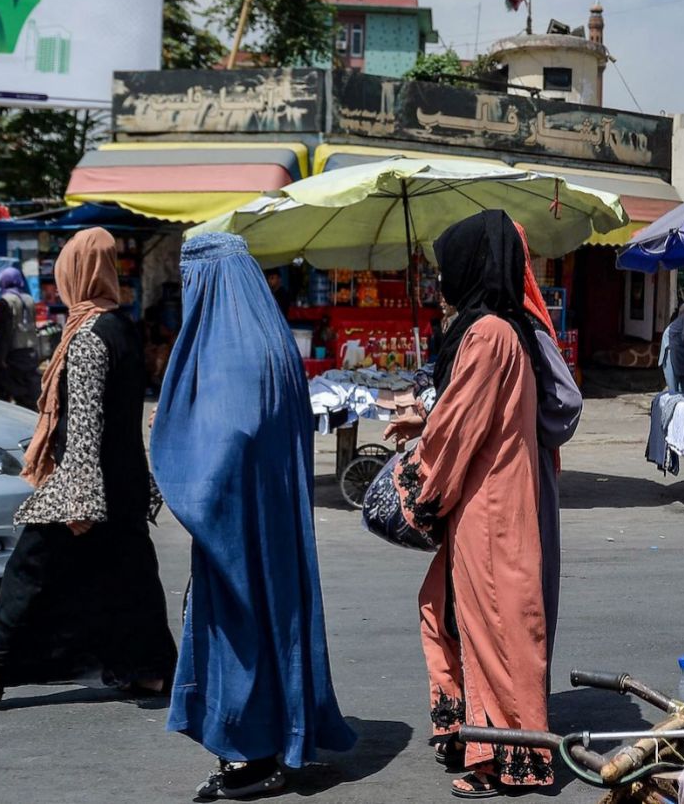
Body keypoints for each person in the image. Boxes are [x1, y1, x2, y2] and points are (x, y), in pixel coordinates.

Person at [0, 228, 175, 707]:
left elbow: (84, 423)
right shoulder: (120, 327)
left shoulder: (87, 337)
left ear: (76, 273)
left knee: (28, 572)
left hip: (85, 483)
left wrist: (76, 497)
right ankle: (154, 670)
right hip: (123, 481)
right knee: (128, 577)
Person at [151, 233, 356, 799]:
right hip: (272, 521)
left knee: (240, 636)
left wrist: (184, 478)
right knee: (275, 623)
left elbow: (223, 445)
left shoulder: (229, 353)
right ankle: (274, 740)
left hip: (236, 530)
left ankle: (250, 753)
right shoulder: (270, 340)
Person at [385, 210, 570, 798]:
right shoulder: (493, 330)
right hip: (489, 499)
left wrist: (414, 488)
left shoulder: (489, 333)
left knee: (495, 628)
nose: (442, 281)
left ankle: (504, 759)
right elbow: (461, 413)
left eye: (448, 268)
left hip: (488, 507)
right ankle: (477, 736)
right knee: (452, 613)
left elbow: (458, 429)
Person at [0, 267, 43, 408]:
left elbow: (5, 331)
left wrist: (0, 357)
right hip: (30, 351)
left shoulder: (6, 301)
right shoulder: (29, 299)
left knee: (13, 389)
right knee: (30, 391)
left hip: (13, 353)